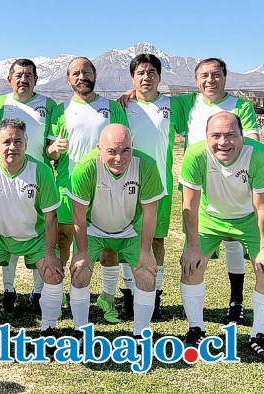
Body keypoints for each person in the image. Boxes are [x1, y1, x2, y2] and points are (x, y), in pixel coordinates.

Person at [121, 57, 260, 324]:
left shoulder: (239, 106)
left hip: (231, 183)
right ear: (196, 80)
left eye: (215, 74)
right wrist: (131, 93)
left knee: (232, 240)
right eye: (204, 76)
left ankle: (236, 302)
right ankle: (142, 296)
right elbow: (147, 97)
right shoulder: (187, 103)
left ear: (225, 76)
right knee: (188, 246)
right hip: (195, 187)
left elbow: (252, 142)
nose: (210, 80)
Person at [179, 112, 264, 362]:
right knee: (191, 266)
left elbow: (263, 207)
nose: (223, 142)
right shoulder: (194, 155)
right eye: (216, 135)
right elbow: (189, 206)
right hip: (210, 218)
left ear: (242, 136)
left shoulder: (261, 155)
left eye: (230, 135)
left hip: (248, 217)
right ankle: (196, 330)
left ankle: (260, 337)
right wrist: (192, 246)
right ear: (206, 137)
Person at [47, 57, 128, 323]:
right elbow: (49, 151)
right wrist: (53, 150)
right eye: (76, 73)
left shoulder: (112, 107)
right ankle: (59, 295)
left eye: (86, 72)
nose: (82, 76)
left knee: (109, 246)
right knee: (63, 242)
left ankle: (106, 297)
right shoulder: (60, 110)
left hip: (106, 190)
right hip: (69, 188)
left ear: (95, 75)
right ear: (68, 79)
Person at [68, 124, 163, 339]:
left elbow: (150, 213)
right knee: (80, 271)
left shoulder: (147, 165)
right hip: (94, 229)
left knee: (146, 273)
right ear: (99, 148)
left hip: (130, 229)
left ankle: (141, 335)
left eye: (125, 151)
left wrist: (146, 252)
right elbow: (78, 215)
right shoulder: (85, 167)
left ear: (132, 146)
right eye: (111, 152)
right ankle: (80, 332)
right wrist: (82, 252)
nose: (119, 158)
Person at [0, 119, 64, 337]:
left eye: (18, 141)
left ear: (26, 143)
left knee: (53, 274)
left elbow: (51, 217)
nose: (12, 147)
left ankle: (48, 328)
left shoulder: (40, 170)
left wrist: (50, 254)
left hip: (36, 237)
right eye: (7, 142)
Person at [0, 59, 61, 314]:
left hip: (37, 179)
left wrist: (55, 151)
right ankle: (8, 290)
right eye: (18, 75)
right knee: (8, 230)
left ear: (36, 79)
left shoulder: (49, 105)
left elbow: (51, 149)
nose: (23, 79)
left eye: (29, 75)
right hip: (6, 178)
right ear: (10, 80)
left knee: (37, 233)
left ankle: (38, 292)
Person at [120, 54, 184, 319]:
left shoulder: (173, 105)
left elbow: (206, 104)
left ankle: (154, 295)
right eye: (141, 73)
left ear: (160, 76)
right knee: (126, 238)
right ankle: (129, 294)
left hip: (160, 186)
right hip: (126, 184)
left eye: (151, 72)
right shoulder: (122, 107)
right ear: (133, 77)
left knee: (157, 240)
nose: (146, 77)